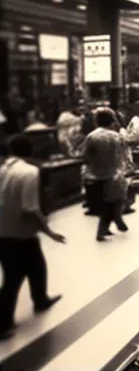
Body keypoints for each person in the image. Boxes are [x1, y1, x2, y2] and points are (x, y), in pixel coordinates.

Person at [0, 134, 65, 340]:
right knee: (14, 278)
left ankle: (41, 299)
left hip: (4, 232)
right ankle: (2, 324)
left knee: (36, 267)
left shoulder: (3, 169)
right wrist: (50, 232)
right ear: (31, 150)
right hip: (20, 234)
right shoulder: (29, 172)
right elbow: (30, 208)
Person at [83, 108, 128, 241]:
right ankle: (108, 224)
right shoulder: (117, 136)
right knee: (115, 201)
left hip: (96, 175)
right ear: (112, 121)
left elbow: (85, 156)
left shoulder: (91, 136)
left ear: (96, 121)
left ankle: (109, 224)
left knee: (104, 204)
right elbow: (122, 156)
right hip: (115, 174)